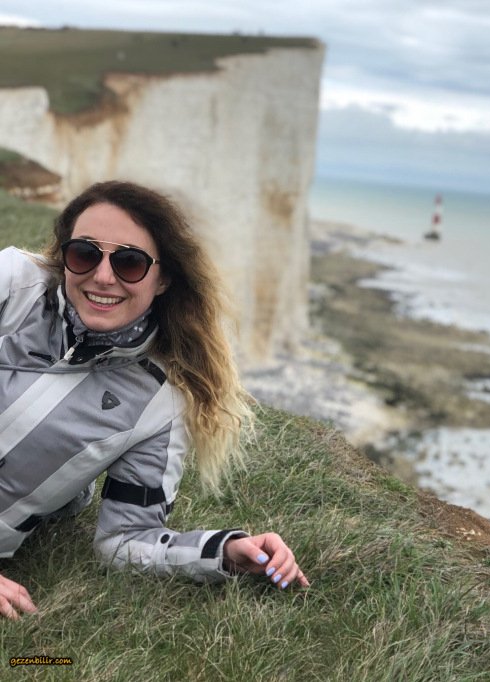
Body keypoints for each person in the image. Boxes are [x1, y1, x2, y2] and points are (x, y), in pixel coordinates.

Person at [0, 180, 309, 620]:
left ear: (163, 278)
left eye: (129, 262)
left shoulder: (159, 403)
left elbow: (125, 540)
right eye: (84, 253)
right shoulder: (14, 284)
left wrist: (224, 552)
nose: (102, 276)